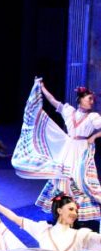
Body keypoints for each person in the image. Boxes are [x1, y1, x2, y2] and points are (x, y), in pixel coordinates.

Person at [35, 80, 101, 231]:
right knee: (63, 180)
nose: (92, 101)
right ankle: (61, 214)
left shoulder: (93, 117)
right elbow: (52, 101)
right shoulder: (69, 111)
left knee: (81, 181)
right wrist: (42, 87)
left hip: (83, 150)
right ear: (80, 99)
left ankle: (78, 217)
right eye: (89, 98)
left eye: (92, 99)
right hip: (69, 149)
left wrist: (95, 136)